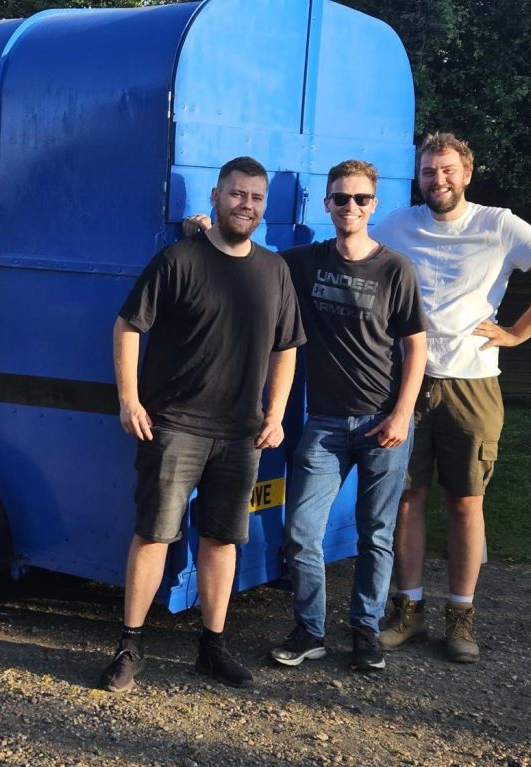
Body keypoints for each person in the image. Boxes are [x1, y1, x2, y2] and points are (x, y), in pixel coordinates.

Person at [186, 160, 428, 672]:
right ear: (327, 204)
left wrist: (402, 414)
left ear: (373, 205)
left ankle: (365, 631)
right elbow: (250, 257)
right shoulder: (304, 262)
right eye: (340, 198)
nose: (350, 207)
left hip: (384, 422)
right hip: (325, 424)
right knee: (300, 530)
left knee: (376, 533)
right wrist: (206, 229)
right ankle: (310, 630)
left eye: (360, 199)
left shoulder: (396, 269)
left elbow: (416, 348)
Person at [371, 132, 531, 663]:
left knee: (465, 502)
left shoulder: (499, 224)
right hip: (408, 380)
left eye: (447, 170)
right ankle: (407, 610)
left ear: (467, 173)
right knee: (406, 500)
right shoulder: (396, 225)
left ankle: (460, 618)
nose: (437, 179)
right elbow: (349, 251)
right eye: (428, 171)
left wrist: (517, 333)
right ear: (418, 177)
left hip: (473, 384)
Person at [100, 156, 306, 693]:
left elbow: (286, 347)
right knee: (154, 535)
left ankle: (211, 649)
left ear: (264, 206)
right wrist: (129, 400)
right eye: (237, 194)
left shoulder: (274, 270)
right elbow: (128, 326)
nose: (246, 205)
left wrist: (275, 413)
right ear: (216, 197)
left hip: (241, 433)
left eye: (256, 197)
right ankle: (129, 646)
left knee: (222, 539)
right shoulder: (178, 260)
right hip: (173, 426)